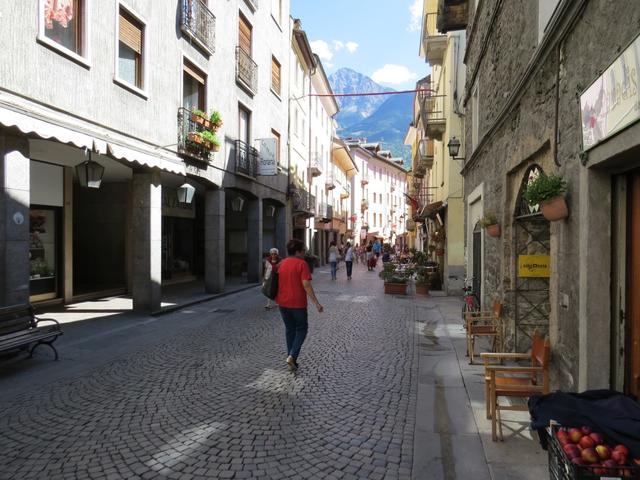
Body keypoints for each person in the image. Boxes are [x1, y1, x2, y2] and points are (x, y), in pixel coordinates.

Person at [275, 239, 323, 371]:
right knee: (302, 329)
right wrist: (316, 303)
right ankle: (292, 355)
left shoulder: (282, 263)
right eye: (303, 251)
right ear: (297, 251)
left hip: (283, 303)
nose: (304, 253)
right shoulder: (302, 264)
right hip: (297, 303)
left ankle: (291, 358)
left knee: (290, 329)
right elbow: (306, 284)